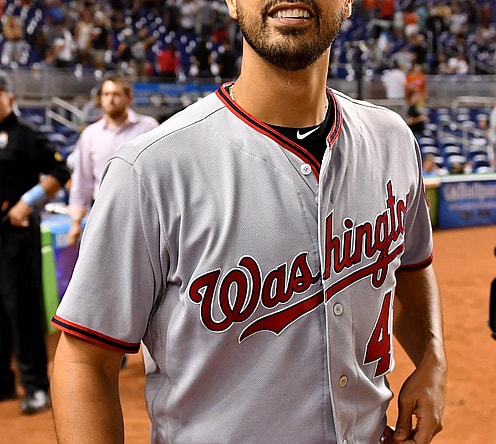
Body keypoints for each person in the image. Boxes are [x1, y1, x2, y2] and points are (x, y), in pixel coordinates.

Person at [50, 0, 447, 443]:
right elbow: (84, 360)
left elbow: (413, 266)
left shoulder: (391, 139)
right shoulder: (150, 168)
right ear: (232, 2)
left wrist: (432, 359)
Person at [0, 72, 71, 415]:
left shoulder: (25, 136)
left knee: (22, 309)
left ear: (8, 98)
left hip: (16, 234)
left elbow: (60, 172)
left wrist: (28, 201)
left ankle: (36, 386)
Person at [65, 74, 160, 247]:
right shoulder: (90, 135)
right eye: (106, 94)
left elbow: (160, 172)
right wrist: (75, 222)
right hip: (103, 211)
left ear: (129, 98)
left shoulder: (148, 127)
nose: (111, 99)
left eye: (116, 94)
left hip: (143, 212)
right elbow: (82, 179)